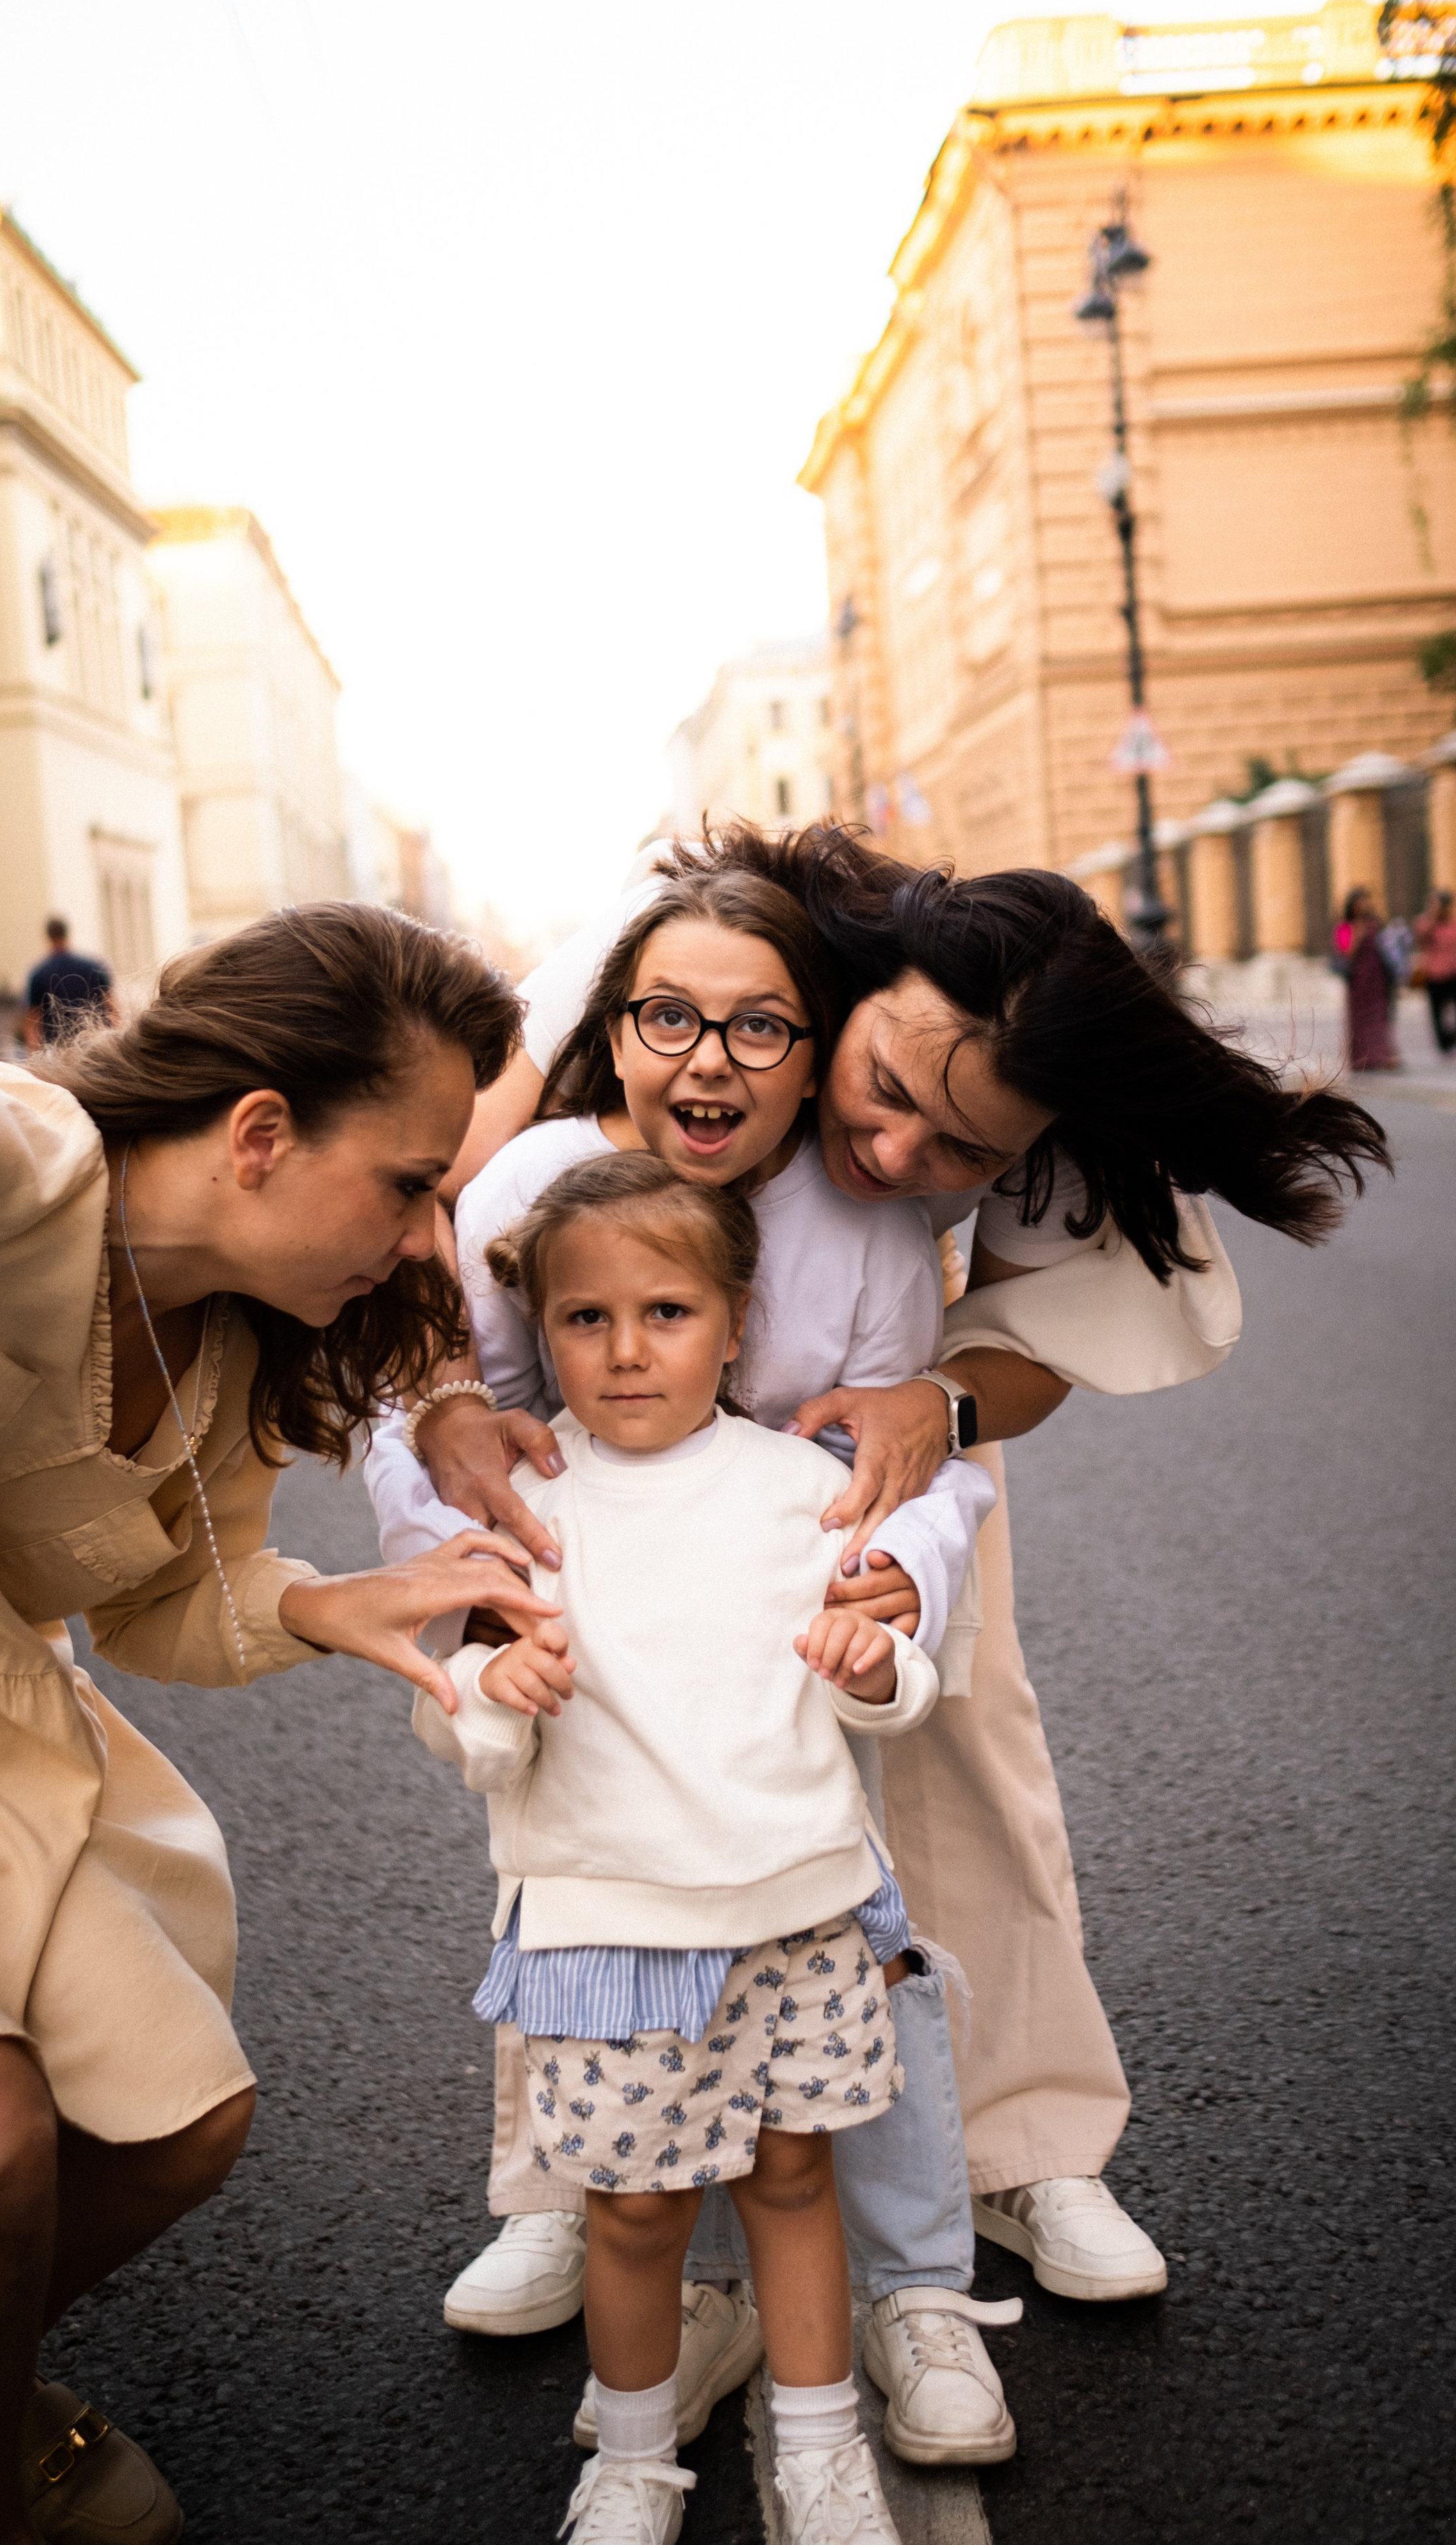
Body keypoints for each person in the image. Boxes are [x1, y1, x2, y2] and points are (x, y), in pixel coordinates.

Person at [407, 826, 1390, 2354]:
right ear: (846, 988)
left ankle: (1025, 2143)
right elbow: (438, 1207)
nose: (896, 1156)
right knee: (587, 1753)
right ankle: (564, 2174)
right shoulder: (681, 964)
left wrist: (938, 1405)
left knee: (960, 1746)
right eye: (883, 1093)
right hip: (615, 1407)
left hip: (867, 1419)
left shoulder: (1041, 1089)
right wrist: (451, 1403)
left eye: (960, 1155)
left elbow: (1049, 1335)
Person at [0, 903, 557, 2545]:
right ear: (258, 1135)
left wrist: (329, 1605)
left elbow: (166, 1605)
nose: (426, 1243)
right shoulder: (3, 1157)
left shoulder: (234, 1336)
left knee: (177, 2122)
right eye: (409, 1185)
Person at [368, 867, 1017, 2471]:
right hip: (600, 1618)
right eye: (670, 1018)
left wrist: (901, 1568)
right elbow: (429, 1383)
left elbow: (910, 1443)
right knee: (587, 1908)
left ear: (812, 1052)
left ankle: (913, 2284)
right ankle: (577, 2203)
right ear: (617, 1032)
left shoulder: (862, 1223)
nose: (708, 1060)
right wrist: (476, 1554)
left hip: (789, 1606)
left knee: (847, 1934)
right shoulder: (534, 1179)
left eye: (757, 1027)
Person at [410, 1154, 972, 2545]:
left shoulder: (801, 1491)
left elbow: (895, 1679)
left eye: (665, 1311)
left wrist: (873, 1667)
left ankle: (823, 2448)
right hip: (609, 1928)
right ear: (543, 1334)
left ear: (733, 1324)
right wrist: (492, 1691)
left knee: (793, 2181)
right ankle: (632, 2461)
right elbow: (459, 1716)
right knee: (634, 2214)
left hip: (797, 1915)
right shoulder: (529, 1511)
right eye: (584, 1319)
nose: (625, 1350)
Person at [1332, 885, 1400, 1073]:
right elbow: (1346, 954)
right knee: (1359, 1021)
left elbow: (1388, 948)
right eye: (1360, 903)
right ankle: (1361, 1059)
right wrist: (1357, 937)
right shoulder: (1344, 927)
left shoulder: (1375, 924)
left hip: (1377, 979)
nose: (1364, 906)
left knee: (1380, 1018)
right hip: (1358, 981)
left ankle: (1381, 1056)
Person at [23, 916, 117, 1049]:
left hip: (59, 1049)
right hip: (95, 1045)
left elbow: (34, 1019)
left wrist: (32, 1050)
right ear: (67, 934)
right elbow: (112, 1007)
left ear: (48, 937)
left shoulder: (39, 974)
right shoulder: (93, 966)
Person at [1414, 889, 1456, 1057]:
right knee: (1438, 1012)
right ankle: (1445, 1045)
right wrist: (1434, 917)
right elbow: (1421, 937)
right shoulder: (1424, 922)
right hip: (1435, 974)